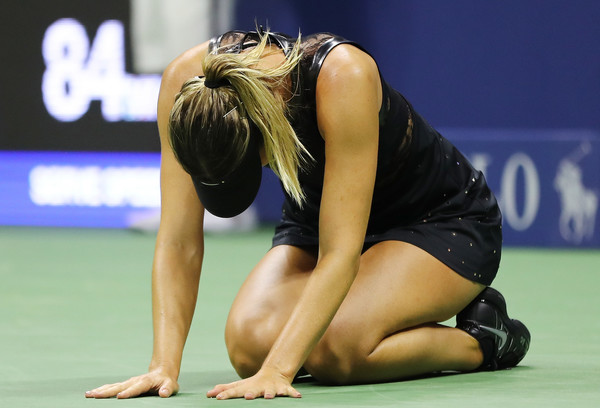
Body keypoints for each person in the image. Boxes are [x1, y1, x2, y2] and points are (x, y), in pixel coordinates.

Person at [85, 27, 530, 401]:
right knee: (246, 344)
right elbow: (179, 240)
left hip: (439, 221)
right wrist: (164, 365)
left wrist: (278, 371)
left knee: (336, 349)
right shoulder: (184, 86)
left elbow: (341, 255)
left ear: (266, 125)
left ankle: (482, 340)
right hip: (318, 218)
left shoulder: (344, 77)